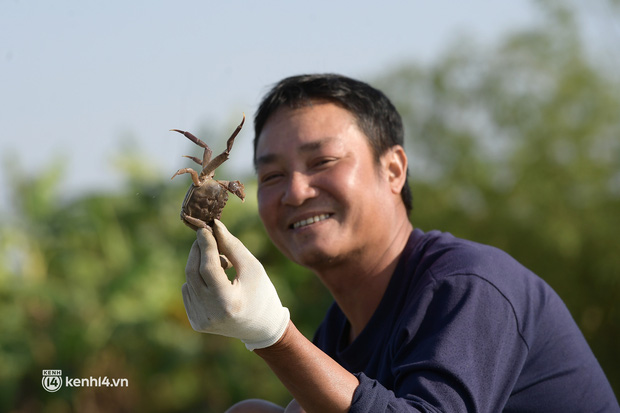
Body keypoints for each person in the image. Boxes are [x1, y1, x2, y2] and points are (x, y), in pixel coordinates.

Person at [181, 74, 619, 413]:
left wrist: (274, 336)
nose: (295, 192)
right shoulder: (336, 331)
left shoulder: (469, 286)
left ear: (393, 170)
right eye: (273, 176)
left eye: (323, 162)